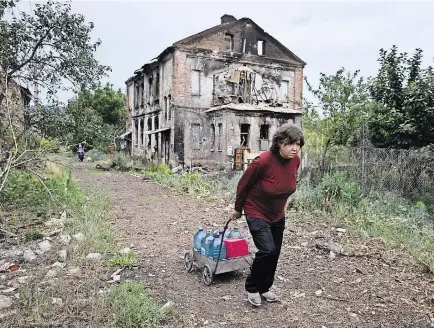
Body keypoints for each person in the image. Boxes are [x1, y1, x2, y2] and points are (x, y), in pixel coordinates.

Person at [231, 123, 304, 307]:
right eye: (290, 143)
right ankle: (252, 287)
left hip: (277, 214)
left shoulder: (295, 160)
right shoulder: (263, 161)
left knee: (275, 253)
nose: (295, 148)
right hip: (256, 210)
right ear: (279, 143)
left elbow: (286, 186)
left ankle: (265, 287)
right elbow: (243, 185)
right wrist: (238, 209)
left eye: (298, 144)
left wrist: (283, 206)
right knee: (267, 250)